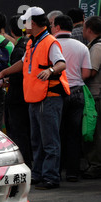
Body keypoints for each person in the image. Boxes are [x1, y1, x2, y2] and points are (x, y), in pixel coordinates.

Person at [0, 7, 70, 190]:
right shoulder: (32, 42)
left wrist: (49, 71)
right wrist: (4, 72)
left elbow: (61, 63)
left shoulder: (49, 42)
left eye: (26, 22)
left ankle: (50, 177)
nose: (24, 25)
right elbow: (23, 63)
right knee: (37, 140)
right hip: (35, 97)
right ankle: (38, 174)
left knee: (49, 140)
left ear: (32, 23)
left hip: (48, 97)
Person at [52, 14, 92, 182]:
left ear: (58, 27)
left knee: (56, 133)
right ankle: (72, 172)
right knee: (74, 134)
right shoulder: (82, 46)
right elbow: (86, 73)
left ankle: (55, 171)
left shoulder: (51, 45)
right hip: (77, 93)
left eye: (53, 25)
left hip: (56, 94)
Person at [4, 15, 32, 169]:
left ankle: (23, 163)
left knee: (18, 131)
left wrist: (6, 78)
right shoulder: (29, 44)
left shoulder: (20, 47)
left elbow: (17, 74)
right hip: (28, 95)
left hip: (17, 96)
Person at [82, 15, 101, 179]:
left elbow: (91, 71)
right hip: (94, 94)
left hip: (96, 95)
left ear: (89, 29)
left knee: (95, 132)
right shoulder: (93, 45)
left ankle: (95, 166)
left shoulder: (97, 47)